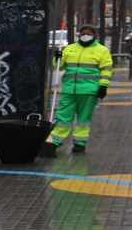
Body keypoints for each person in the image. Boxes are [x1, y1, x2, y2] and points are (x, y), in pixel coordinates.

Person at [46, 24, 113, 155]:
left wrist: (103, 86)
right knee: (63, 118)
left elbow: (106, 70)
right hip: (69, 90)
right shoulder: (69, 49)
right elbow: (57, 66)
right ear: (79, 35)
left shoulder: (102, 50)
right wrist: (57, 57)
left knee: (83, 119)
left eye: (88, 33)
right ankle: (54, 142)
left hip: (89, 91)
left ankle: (80, 144)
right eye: (83, 33)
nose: (85, 36)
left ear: (94, 35)